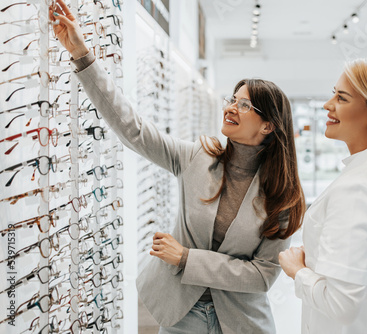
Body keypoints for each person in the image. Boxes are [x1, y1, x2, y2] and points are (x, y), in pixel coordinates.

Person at [49, 1, 306, 333]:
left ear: (268, 126)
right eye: (232, 99)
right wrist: (82, 56)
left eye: (244, 105)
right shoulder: (198, 157)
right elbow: (134, 129)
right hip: (182, 314)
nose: (231, 108)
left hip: (241, 322)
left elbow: (262, 275)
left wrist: (187, 258)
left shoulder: (282, 196)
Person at [279, 58, 367, 334]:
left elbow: (341, 304)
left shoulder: (357, 189)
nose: (327, 105)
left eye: (341, 98)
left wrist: (297, 269)